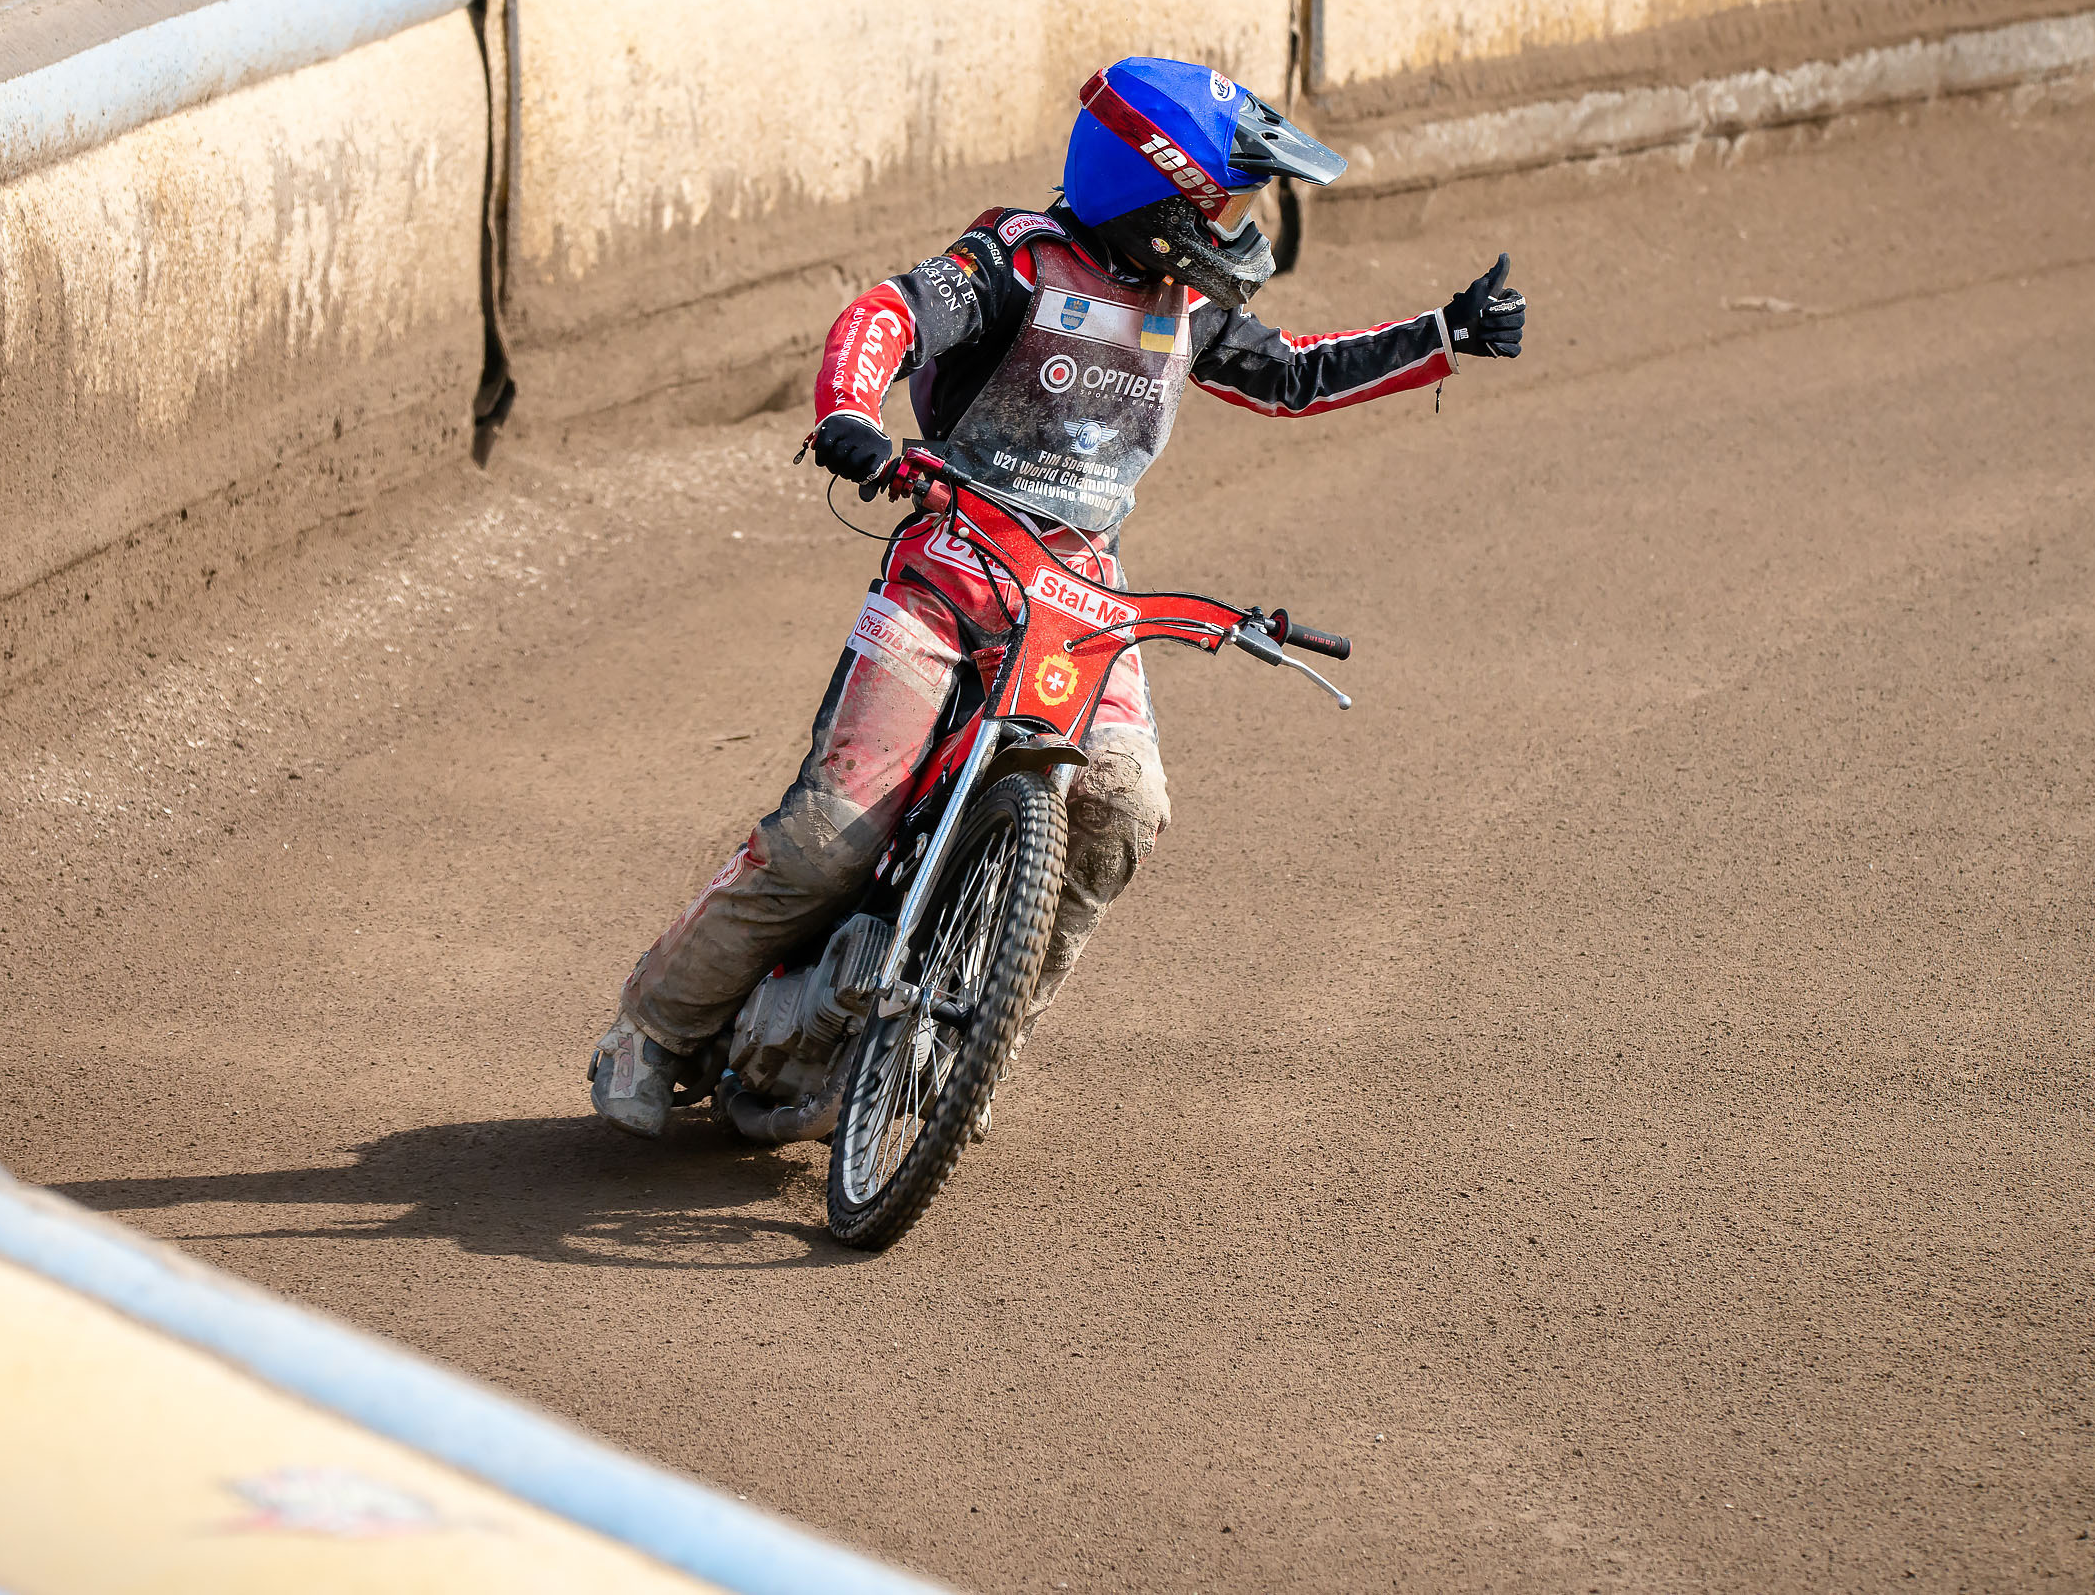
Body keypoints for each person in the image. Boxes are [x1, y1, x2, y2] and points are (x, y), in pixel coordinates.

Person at [590, 56, 1526, 1137]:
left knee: (1126, 808)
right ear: (1152, 187)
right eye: (1219, 201)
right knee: (828, 838)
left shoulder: (1187, 307)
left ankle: (971, 1046)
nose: (1232, 227)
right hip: (950, 562)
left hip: (1083, 589)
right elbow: (886, 314)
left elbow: (1297, 373)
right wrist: (849, 412)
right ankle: (650, 1030)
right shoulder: (1016, 260)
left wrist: (1443, 336)